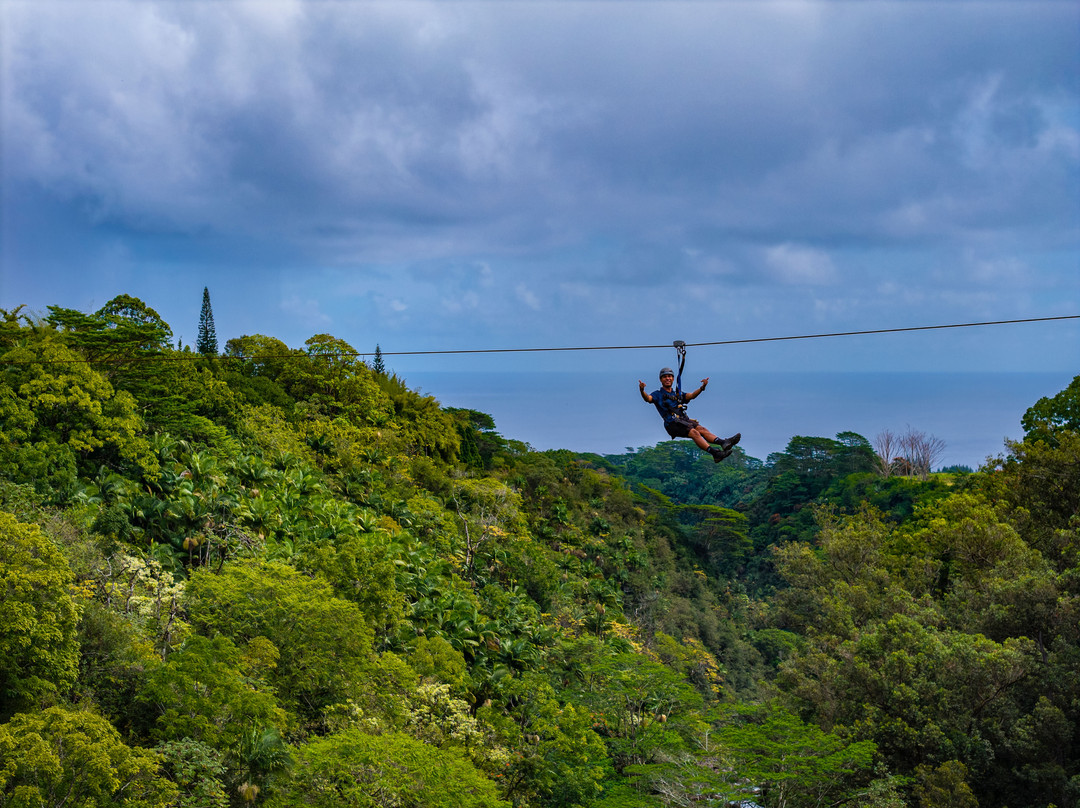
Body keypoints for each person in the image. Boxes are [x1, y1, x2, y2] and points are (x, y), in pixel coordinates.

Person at [639, 367, 741, 462]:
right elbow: (648, 399)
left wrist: (702, 388)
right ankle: (715, 453)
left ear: (673, 379)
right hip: (671, 424)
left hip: (683, 420)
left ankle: (723, 442)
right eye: (665, 377)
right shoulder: (658, 394)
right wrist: (642, 390)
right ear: (661, 380)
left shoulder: (677, 394)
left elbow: (691, 396)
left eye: (669, 376)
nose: (667, 378)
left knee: (702, 429)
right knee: (694, 433)